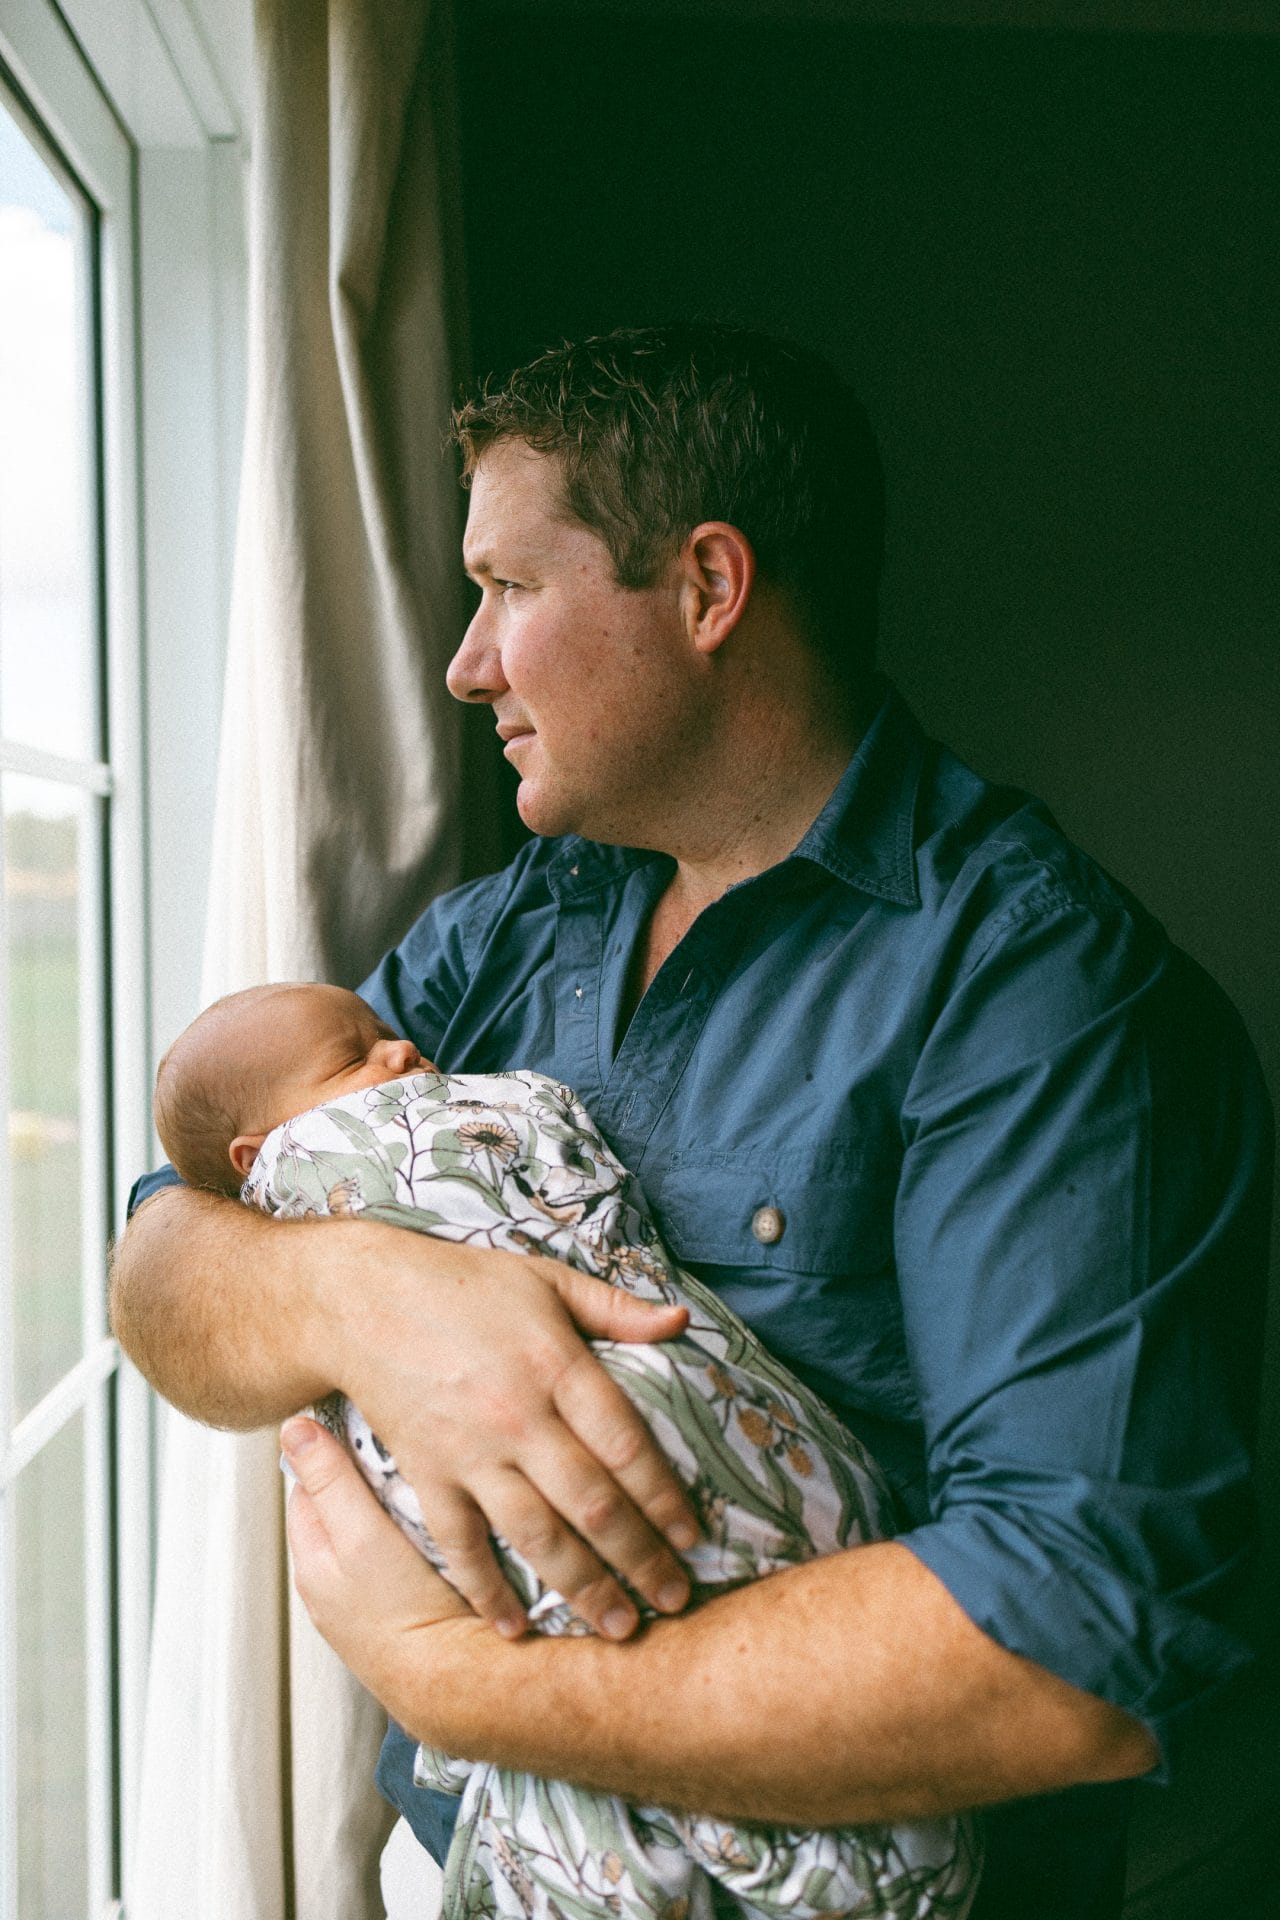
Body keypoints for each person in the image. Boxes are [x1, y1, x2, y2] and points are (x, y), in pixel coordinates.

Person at [112, 323, 1272, 1920]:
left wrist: (464, 1693)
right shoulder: (522, 922)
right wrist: (364, 1293)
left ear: (708, 589)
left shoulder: (1041, 992)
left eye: (509, 588)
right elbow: (163, 1253)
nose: (466, 661)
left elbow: (1070, 1647)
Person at [152, 978, 981, 1919]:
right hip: (468, 1795)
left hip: (821, 1651)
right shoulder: (488, 934)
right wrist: (347, 1283)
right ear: (260, 1157)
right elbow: (165, 1232)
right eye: (358, 1058)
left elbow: (1086, 1618)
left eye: (386, 1042)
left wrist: (436, 1669)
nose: (401, 1056)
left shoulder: (1005, 963)